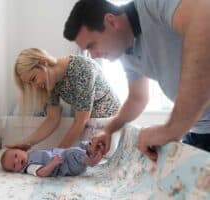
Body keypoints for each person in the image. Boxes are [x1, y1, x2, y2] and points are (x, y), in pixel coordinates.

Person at [63, 0, 210, 161]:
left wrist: (172, 128)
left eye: (92, 45)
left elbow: (204, 17)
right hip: (199, 130)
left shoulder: (152, 5)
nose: (93, 56)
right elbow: (137, 99)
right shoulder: (127, 55)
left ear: (111, 21)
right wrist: (107, 131)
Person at [7, 48, 120, 149]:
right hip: (91, 126)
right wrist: (26, 143)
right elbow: (52, 118)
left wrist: (56, 154)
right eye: (30, 84)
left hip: (110, 122)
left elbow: (81, 120)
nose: (35, 87)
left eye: (33, 79)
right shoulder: (51, 83)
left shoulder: (81, 69)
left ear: (43, 63)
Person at [0, 141, 103, 177]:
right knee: (72, 151)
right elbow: (42, 173)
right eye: (14, 165)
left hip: (67, 159)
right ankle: (91, 162)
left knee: (81, 144)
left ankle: (93, 150)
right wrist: (53, 163)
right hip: (68, 167)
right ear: (16, 171)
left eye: (16, 156)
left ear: (21, 150)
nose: (17, 161)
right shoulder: (29, 167)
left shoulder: (31, 154)